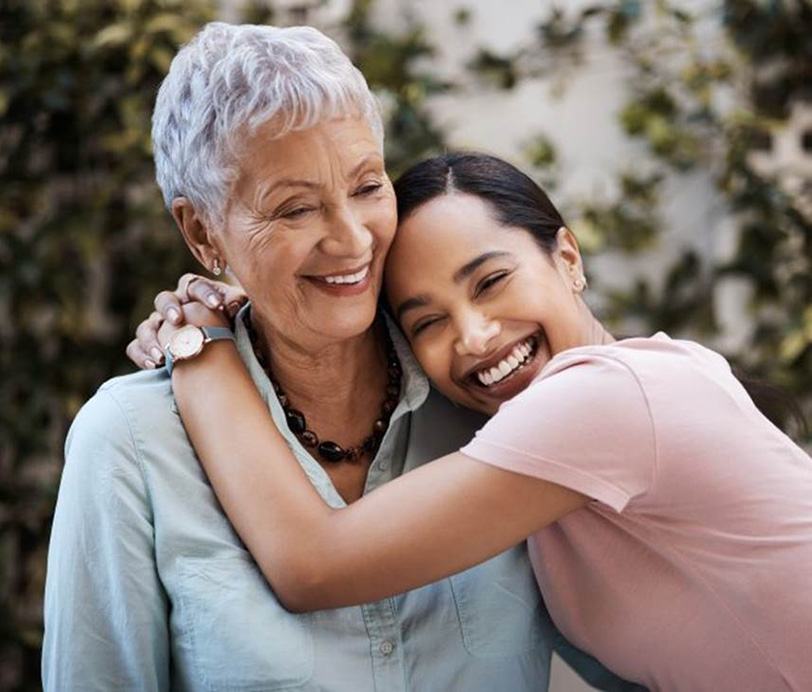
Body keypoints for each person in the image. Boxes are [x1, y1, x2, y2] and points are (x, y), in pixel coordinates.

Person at [42, 23, 633, 692]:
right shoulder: (129, 444)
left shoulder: (485, 393)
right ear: (203, 232)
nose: (351, 240)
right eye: (295, 208)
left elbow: (654, 652)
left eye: (365, 187)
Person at [138, 152, 812, 691]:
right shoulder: (535, 462)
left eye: (490, 281)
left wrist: (201, 348)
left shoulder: (610, 398)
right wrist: (262, 309)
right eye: (427, 321)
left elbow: (311, 565)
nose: (476, 336)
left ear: (568, 259)